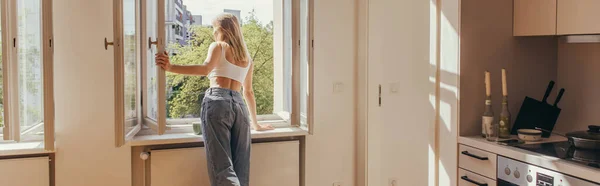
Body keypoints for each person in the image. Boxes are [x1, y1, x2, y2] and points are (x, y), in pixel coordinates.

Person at [155, 13, 274, 186]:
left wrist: (171, 67)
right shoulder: (247, 59)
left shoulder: (219, 46)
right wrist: (256, 124)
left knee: (221, 166)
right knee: (241, 167)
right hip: (240, 107)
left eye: (213, 29)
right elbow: (248, 92)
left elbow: (205, 69)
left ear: (220, 29)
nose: (212, 33)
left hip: (218, 101)